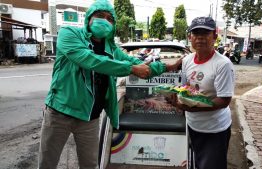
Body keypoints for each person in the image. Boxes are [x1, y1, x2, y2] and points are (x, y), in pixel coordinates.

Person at [38, 0, 181, 168]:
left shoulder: (112, 49)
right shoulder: (69, 33)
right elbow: (89, 60)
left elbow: (137, 63)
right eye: (99, 16)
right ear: (89, 18)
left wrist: (167, 66)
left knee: (90, 165)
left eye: (109, 18)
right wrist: (131, 68)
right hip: (60, 113)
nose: (104, 21)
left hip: (90, 118)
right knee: (47, 164)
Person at [167, 17, 235, 169]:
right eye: (195, 33)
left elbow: (224, 101)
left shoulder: (222, 64)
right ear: (190, 37)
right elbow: (185, 87)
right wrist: (177, 99)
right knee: (197, 163)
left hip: (215, 128)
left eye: (205, 33)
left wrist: (192, 108)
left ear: (215, 36)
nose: (200, 38)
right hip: (193, 124)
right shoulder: (187, 61)